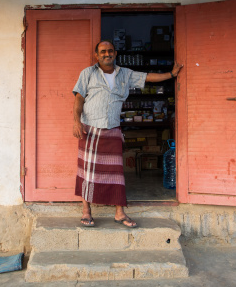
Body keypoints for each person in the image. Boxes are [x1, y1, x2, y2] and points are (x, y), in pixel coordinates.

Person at [72, 40, 183, 228]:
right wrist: (76, 121)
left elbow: (148, 77)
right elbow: (79, 98)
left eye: (110, 51)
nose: (107, 54)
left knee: (116, 174)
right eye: (103, 51)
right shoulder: (88, 73)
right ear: (96, 55)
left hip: (113, 128)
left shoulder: (125, 73)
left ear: (115, 54)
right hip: (90, 128)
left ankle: (119, 212)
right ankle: (86, 211)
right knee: (87, 172)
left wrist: (171, 74)